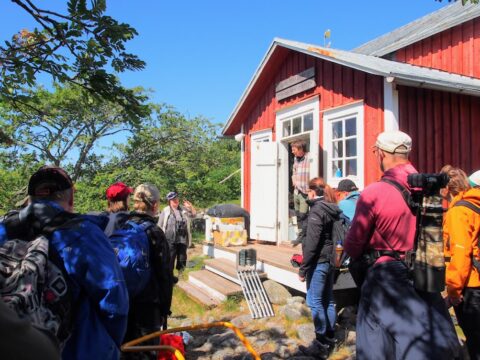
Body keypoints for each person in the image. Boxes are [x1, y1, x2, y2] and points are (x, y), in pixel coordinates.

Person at [343, 131, 460, 360]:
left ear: (382, 153)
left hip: (385, 277)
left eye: (375, 152)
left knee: (376, 343)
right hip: (425, 272)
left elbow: (354, 245)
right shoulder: (428, 187)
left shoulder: (374, 192)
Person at [0, 166, 129, 359]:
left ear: (30, 198)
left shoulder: (4, 229)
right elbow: (113, 298)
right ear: (70, 199)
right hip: (77, 350)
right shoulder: (84, 233)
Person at [121, 183, 174, 360]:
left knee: (126, 349)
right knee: (147, 350)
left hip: (123, 300)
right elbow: (164, 274)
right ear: (155, 205)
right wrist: (165, 308)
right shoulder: (155, 232)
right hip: (148, 305)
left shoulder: (121, 226)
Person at [298, 177, 340, 359]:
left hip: (319, 261)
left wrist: (303, 268)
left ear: (312, 192)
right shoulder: (332, 208)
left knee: (315, 301)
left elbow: (312, 244)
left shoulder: (317, 210)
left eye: (308, 191)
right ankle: (330, 339)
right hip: (331, 259)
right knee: (328, 300)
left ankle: (321, 343)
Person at [443, 169, 480, 360]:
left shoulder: (459, 212)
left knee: (475, 342)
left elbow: (461, 252)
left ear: (446, 189)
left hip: (470, 285)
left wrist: (454, 291)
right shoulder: (476, 205)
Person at [158, 191, 196, 274]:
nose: (175, 201)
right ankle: (169, 277)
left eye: (176, 199)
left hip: (182, 238)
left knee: (182, 258)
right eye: (173, 200)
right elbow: (159, 226)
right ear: (169, 201)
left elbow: (193, 215)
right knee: (170, 258)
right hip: (170, 239)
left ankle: (180, 274)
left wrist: (191, 207)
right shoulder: (166, 210)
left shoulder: (184, 209)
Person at [291, 140, 310, 245]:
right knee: (297, 215)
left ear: (301, 149)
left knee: (303, 215)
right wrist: (293, 179)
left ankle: (304, 236)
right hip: (296, 191)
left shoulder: (309, 158)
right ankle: (300, 236)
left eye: (294, 150)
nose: (292, 152)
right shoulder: (295, 159)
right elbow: (294, 171)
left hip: (305, 192)